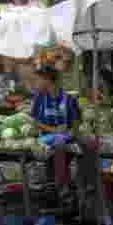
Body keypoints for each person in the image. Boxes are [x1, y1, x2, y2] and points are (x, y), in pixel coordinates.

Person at [30, 64, 81, 200]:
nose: (36, 83)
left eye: (38, 80)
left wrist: (69, 133)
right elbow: (34, 122)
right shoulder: (39, 98)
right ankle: (62, 187)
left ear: (47, 79)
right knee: (58, 143)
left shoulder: (70, 99)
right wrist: (54, 130)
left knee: (78, 144)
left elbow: (76, 124)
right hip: (46, 138)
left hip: (67, 137)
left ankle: (80, 186)